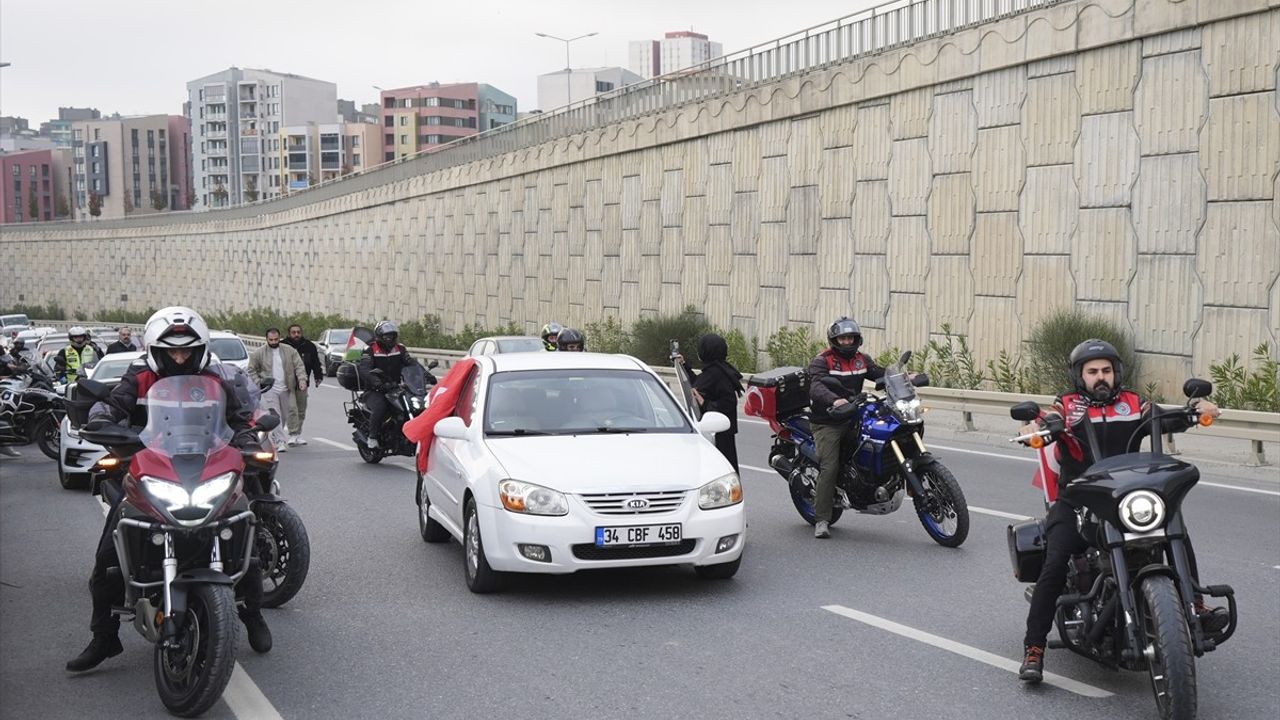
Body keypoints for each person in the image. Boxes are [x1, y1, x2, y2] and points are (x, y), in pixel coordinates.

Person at [66, 306, 272, 673]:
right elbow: (111, 408)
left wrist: (247, 442)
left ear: (199, 349)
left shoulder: (216, 377)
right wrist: (103, 423)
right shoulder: (139, 376)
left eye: (186, 351)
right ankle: (104, 636)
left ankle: (252, 613)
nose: (179, 357)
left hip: (208, 465)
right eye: (172, 351)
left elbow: (239, 418)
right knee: (108, 558)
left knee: (246, 534)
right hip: (154, 466)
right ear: (156, 350)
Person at [1017, 339, 1227, 683]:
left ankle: (1195, 605)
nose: (1101, 377)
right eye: (1092, 371)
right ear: (1079, 375)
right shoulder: (1067, 405)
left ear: (1117, 373)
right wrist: (1033, 427)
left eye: (1107, 370)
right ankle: (1034, 648)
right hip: (1080, 499)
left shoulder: (1133, 402)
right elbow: (1048, 417)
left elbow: (1160, 417)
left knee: (1174, 526)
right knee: (1055, 560)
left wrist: (1196, 409)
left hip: (1129, 495)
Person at [807, 317, 886, 539]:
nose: (847, 341)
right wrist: (834, 400)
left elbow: (879, 373)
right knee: (829, 467)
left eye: (850, 337)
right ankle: (821, 518)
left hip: (854, 416)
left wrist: (901, 377)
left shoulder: (862, 360)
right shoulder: (823, 361)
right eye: (843, 337)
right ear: (835, 340)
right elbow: (816, 386)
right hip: (828, 421)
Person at [678, 333, 744, 472]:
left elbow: (728, 402)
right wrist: (685, 366)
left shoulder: (715, 373)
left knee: (720, 472)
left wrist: (705, 404)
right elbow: (699, 384)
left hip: (717, 435)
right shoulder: (719, 369)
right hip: (721, 432)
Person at [356, 320, 419, 449]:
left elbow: (410, 362)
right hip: (375, 390)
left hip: (395, 388)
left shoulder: (399, 348)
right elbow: (365, 369)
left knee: (414, 405)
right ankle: (372, 437)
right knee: (380, 407)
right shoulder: (370, 350)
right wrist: (377, 383)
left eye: (392, 335)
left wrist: (426, 375)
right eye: (386, 336)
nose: (389, 338)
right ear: (379, 336)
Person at [248, 328, 307, 453]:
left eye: (276, 339)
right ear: (266, 339)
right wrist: (259, 383)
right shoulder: (259, 353)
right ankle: (280, 441)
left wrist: (302, 380)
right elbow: (251, 370)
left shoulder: (289, 350)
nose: (274, 342)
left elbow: (299, 366)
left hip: (286, 387)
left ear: (279, 338)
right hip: (270, 389)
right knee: (276, 415)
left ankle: (275, 435)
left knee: (286, 414)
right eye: (271, 340)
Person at [282, 324, 323, 446]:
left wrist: (318, 376)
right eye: (293, 332)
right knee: (292, 409)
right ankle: (293, 433)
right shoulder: (283, 346)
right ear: (289, 333)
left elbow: (316, 362)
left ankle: (298, 434)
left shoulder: (309, 346)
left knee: (301, 409)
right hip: (286, 383)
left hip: (303, 382)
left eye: (298, 332)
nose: (296, 335)